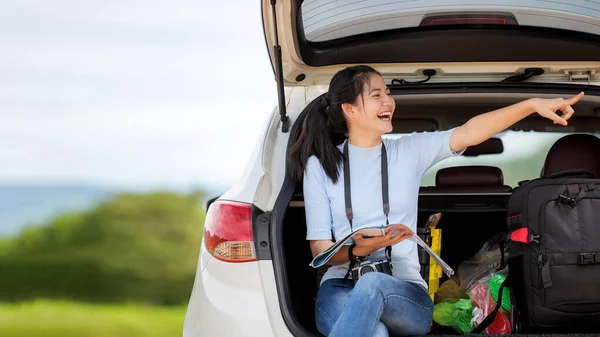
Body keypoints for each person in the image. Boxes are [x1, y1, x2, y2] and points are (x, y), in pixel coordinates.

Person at [286, 65, 583, 337]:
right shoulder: (320, 166)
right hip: (339, 289)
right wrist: (368, 246)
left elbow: (470, 132)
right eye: (376, 95)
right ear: (349, 109)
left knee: (372, 285)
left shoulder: (409, 151)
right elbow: (320, 253)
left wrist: (530, 105)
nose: (388, 101)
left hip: (405, 293)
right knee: (374, 333)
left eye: (388, 93)